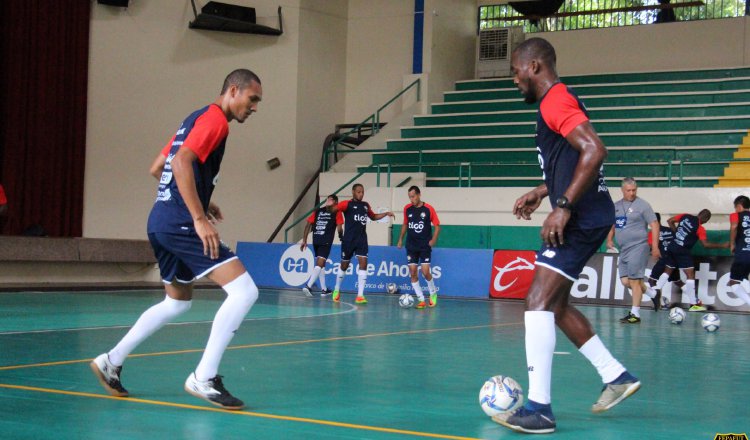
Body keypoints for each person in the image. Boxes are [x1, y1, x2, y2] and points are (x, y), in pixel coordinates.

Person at [90, 69, 263, 410]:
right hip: (179, 222)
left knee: (177, 301)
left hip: (160, 220)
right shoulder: (216, 121)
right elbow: (182, 161)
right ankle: (204, 377)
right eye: (252, 98)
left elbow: (159, 166)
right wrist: (199, 218)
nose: (255, 106)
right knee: (245, 291)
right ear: (232, 90)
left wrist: (201, 196)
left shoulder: (194, 118)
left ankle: (111, 360)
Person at [492, 38, 640, 434]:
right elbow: (573, 159)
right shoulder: (554, 103)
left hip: (581, 217)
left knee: (537, 301)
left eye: (515, 70)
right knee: (554, 306)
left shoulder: (555, 100)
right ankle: (616, 376)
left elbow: (595, 150)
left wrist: (563, 206)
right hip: (586, 214)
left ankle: (539, 410)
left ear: (535, 66)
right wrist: (543, 192)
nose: (514, 79)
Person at [645, 209, 728, 311]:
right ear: (706, 219)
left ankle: (655, 292)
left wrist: (676, 234)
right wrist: (722, 245)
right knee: (690, 275)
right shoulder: (700, 228)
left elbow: (670, 221)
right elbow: (706, 244)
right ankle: (693, 304)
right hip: (682, 251)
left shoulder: (685, 216)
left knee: (668, 271)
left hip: (672, 246)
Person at [605, 177, 660, 323]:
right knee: (625, 281)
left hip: (639, 246)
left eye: (634, 190)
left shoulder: (643, 205)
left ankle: (635, 314)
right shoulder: (616, 206)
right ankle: (652, 293)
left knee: (635, 281)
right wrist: (609, 239)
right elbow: (613, 224)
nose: (631, 193)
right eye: (628, 190)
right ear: (622, 190)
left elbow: (654, 225)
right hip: (624, 249)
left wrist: (654, 246)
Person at [330, 183, 394, 304]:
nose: (361, 194)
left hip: (362, 240)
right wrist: (330, 207)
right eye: (359, 192)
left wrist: (386, 213)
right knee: (344, 266)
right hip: (349, 240)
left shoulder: (365, 205)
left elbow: (373, 216)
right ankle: (337, 289)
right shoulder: (346, 204)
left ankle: (360, 295)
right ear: (353, 192)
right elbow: (334, 210)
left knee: (363, 264)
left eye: (362, 192)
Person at [396, 186, 441, 309]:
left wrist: (433, 239)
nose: (412, 199)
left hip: (424, 246)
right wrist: (400, 239)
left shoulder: (428, 209)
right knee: (413, 273)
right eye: (410, 197)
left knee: (425, 272)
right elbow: (405, 223)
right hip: (411, 245)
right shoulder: (407, 208)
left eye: (413, 196)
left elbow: (437, 226)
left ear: (419, 195)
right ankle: (421, 299)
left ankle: (433, 293)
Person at [300, 194, 343, 297]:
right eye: (327, 199)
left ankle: (324, 289)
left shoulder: (333, 212)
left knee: (321, 265)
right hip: (324, 240)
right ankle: (308, 286)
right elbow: (339, 228)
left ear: (336, 202)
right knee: (320, 264)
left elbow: (308, 225)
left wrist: (305, 240)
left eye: (331, 199)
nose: (328, 200)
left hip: (317, 240)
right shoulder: (324, 211)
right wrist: (342, 236)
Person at [646, 212, 684, 302]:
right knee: (678, 281)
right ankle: (695, 300)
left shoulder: (652, 233)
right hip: (674, 260)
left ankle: (657, 301)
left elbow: (652, 248)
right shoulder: (671, 230)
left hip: (663, 260)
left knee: (652, 280)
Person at [728, 195, 750, 306]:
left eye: (735, 207)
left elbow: (734, 227)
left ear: (739, 206)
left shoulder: (735, 215)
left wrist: (732, 244)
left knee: (734, 282)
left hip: (743, 254)